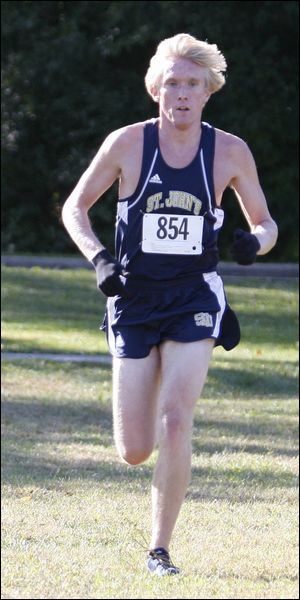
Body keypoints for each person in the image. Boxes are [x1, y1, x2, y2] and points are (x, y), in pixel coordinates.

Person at [62, 33, 278, 576]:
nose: (181, 94)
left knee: (176, 420)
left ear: (209, 92)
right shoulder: (126, 144)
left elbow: (266, 222)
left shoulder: (229, 151)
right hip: (132, 297)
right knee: (134, 449)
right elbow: (75, 209)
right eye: (172, 83)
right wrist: (100, 260)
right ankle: (150, 411)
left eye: (193, 85)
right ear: (155, 88)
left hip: (193, 297)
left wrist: (255, 243)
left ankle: (159, 550)